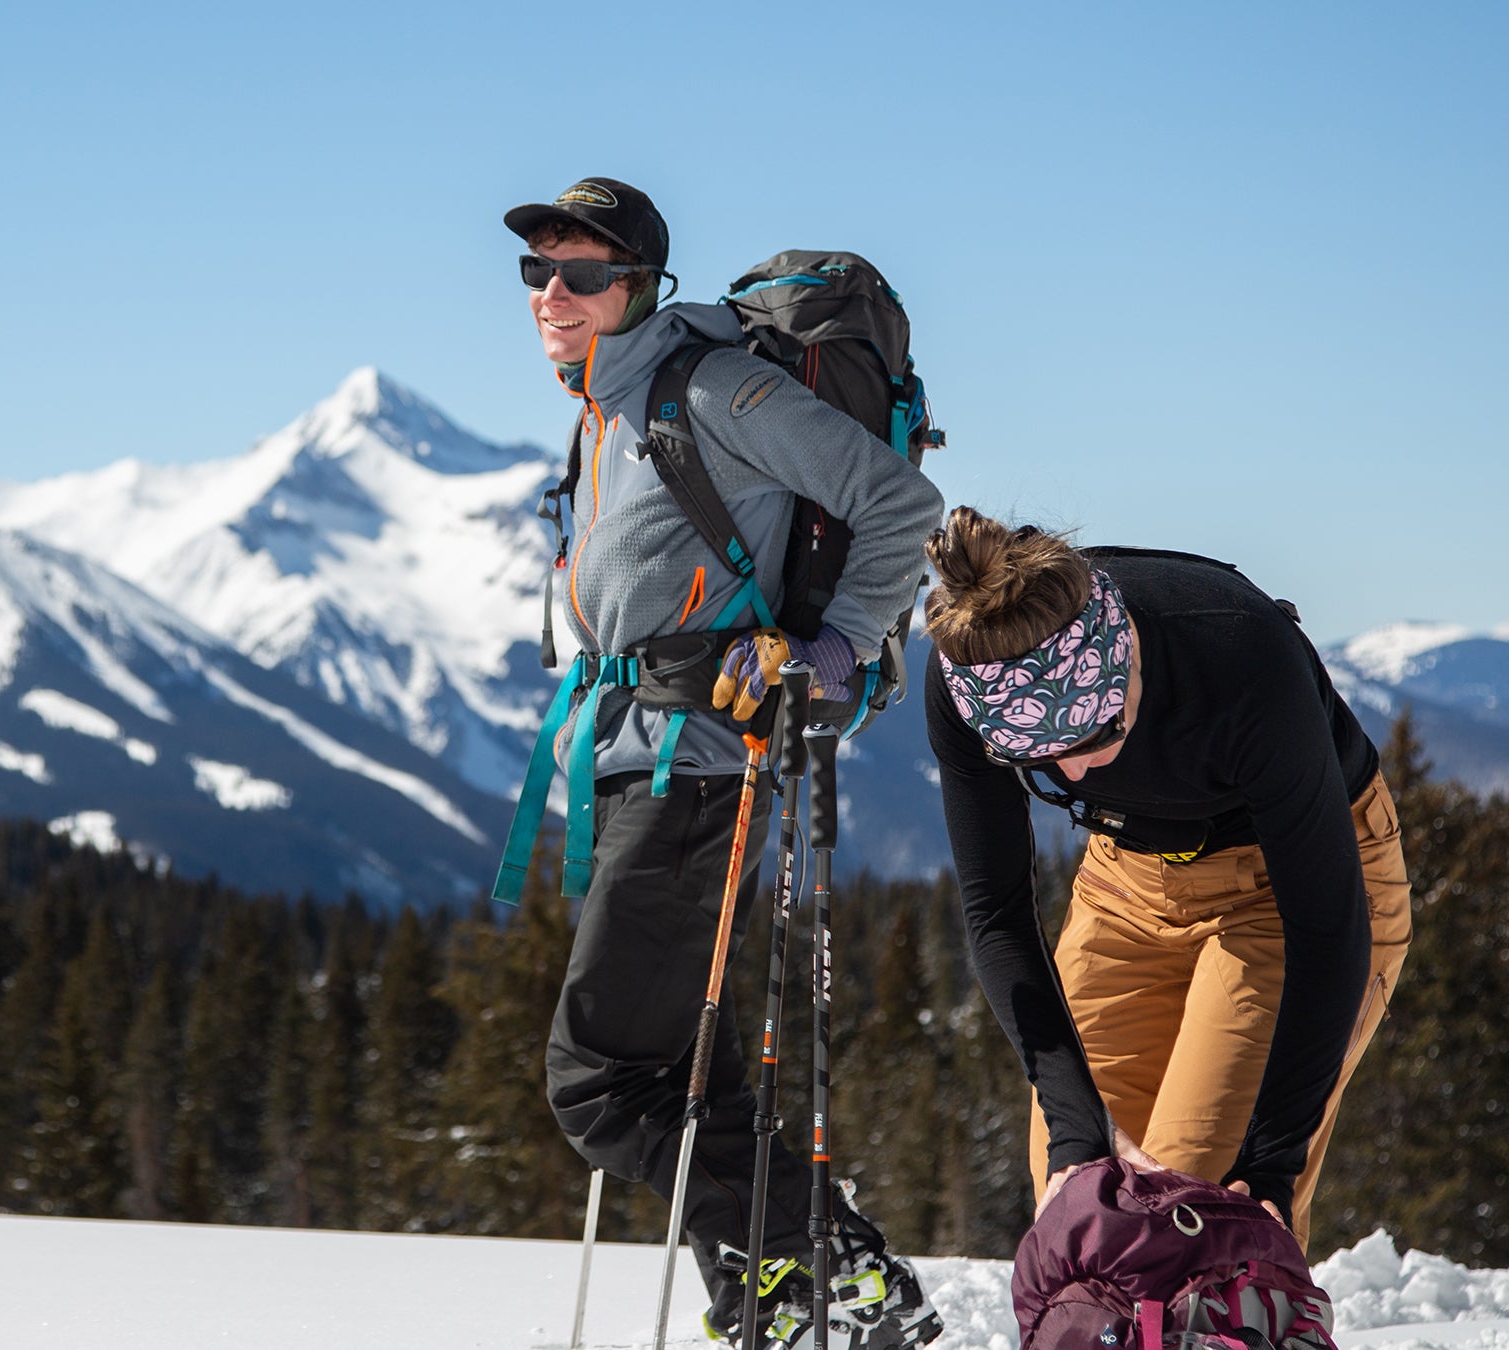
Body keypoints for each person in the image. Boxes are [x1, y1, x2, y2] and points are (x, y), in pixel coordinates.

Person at [502, 176, 945, 1350]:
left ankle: (840, 1263)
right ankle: (781, 1286)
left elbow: (899, 500)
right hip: (637, 756)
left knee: (598, 1082)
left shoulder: (714, 387)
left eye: (583, 273)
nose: (556, 292)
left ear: (638, 283)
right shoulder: (600, 405)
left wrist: (837, 650)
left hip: (700, 764)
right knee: (688, 1065)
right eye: (539, 271)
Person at [921, 506, 1412, 1245]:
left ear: (1130, 660)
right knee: (1079, 1206)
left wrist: (1272, 1168)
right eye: (1038, 759)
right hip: (1125, 886)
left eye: (1097, 735)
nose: (1075, 771)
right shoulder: (973, 675)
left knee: (1196, 1217)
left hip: (1288, 892)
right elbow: (997, 915)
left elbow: (1326, 928)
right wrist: (1075, 1128)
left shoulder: (1239, 656)